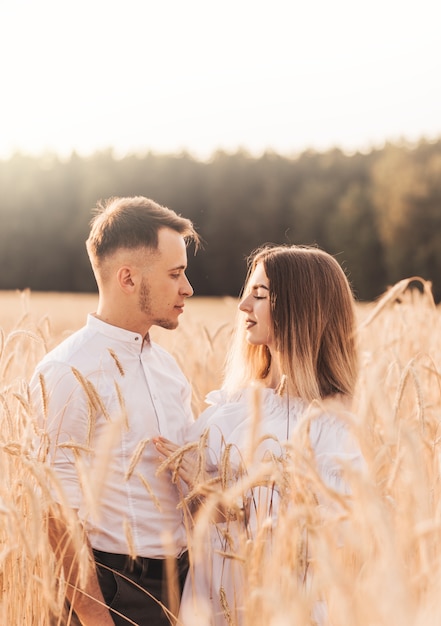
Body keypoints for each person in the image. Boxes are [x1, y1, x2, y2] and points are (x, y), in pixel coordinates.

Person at [155, 244, 363, 626]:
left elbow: (315, 549)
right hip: (209, 605)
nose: (243, 306)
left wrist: (217, 497)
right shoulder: (227, 408)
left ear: (299, 308)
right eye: (248, 292)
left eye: (260, 295)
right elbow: (185, 523)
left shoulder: (330, 427)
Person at [30, 196, 200, 626]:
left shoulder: (168, 369)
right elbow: (56, 512)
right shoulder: (68, 371)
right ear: (128, 277)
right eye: (175, 274)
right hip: (117, 592)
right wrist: (94, 614)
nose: (188, 288)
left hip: (185, 584)